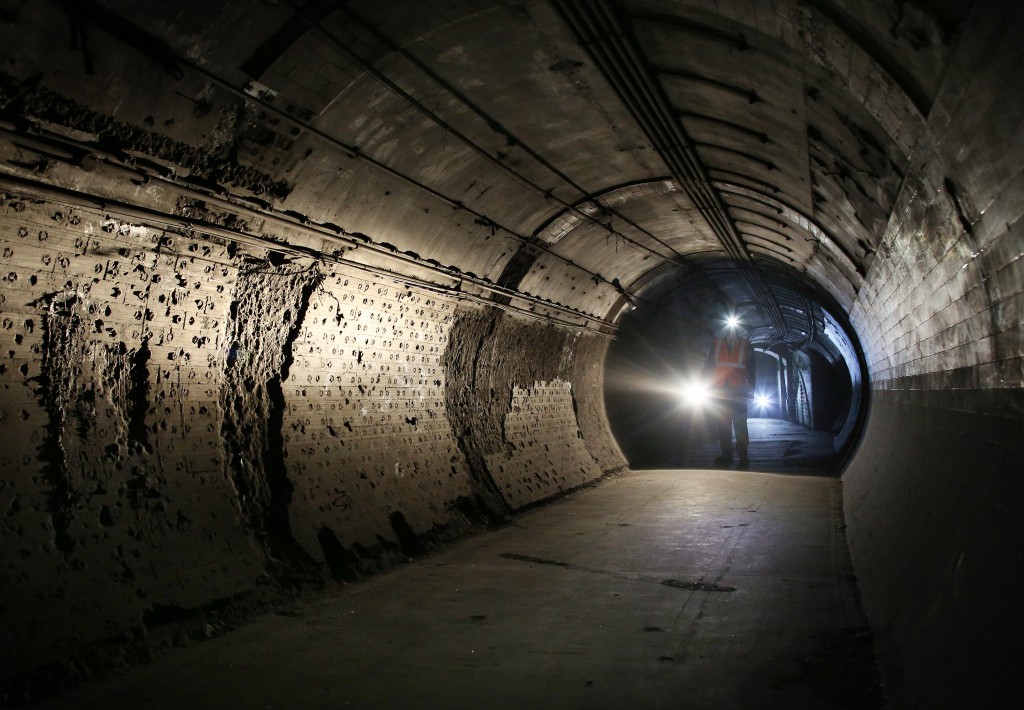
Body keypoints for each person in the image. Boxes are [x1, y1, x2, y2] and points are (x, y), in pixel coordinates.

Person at [706, 319, 756, 468]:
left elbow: (752, 369)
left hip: (739, 390)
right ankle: (726, 454)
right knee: (723, 423)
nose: (731, 330)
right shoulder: (716, 344)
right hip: (720, 389)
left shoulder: (746, 345)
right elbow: (709, 366)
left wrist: (752, 389)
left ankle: (742, 454)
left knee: (740, 423)